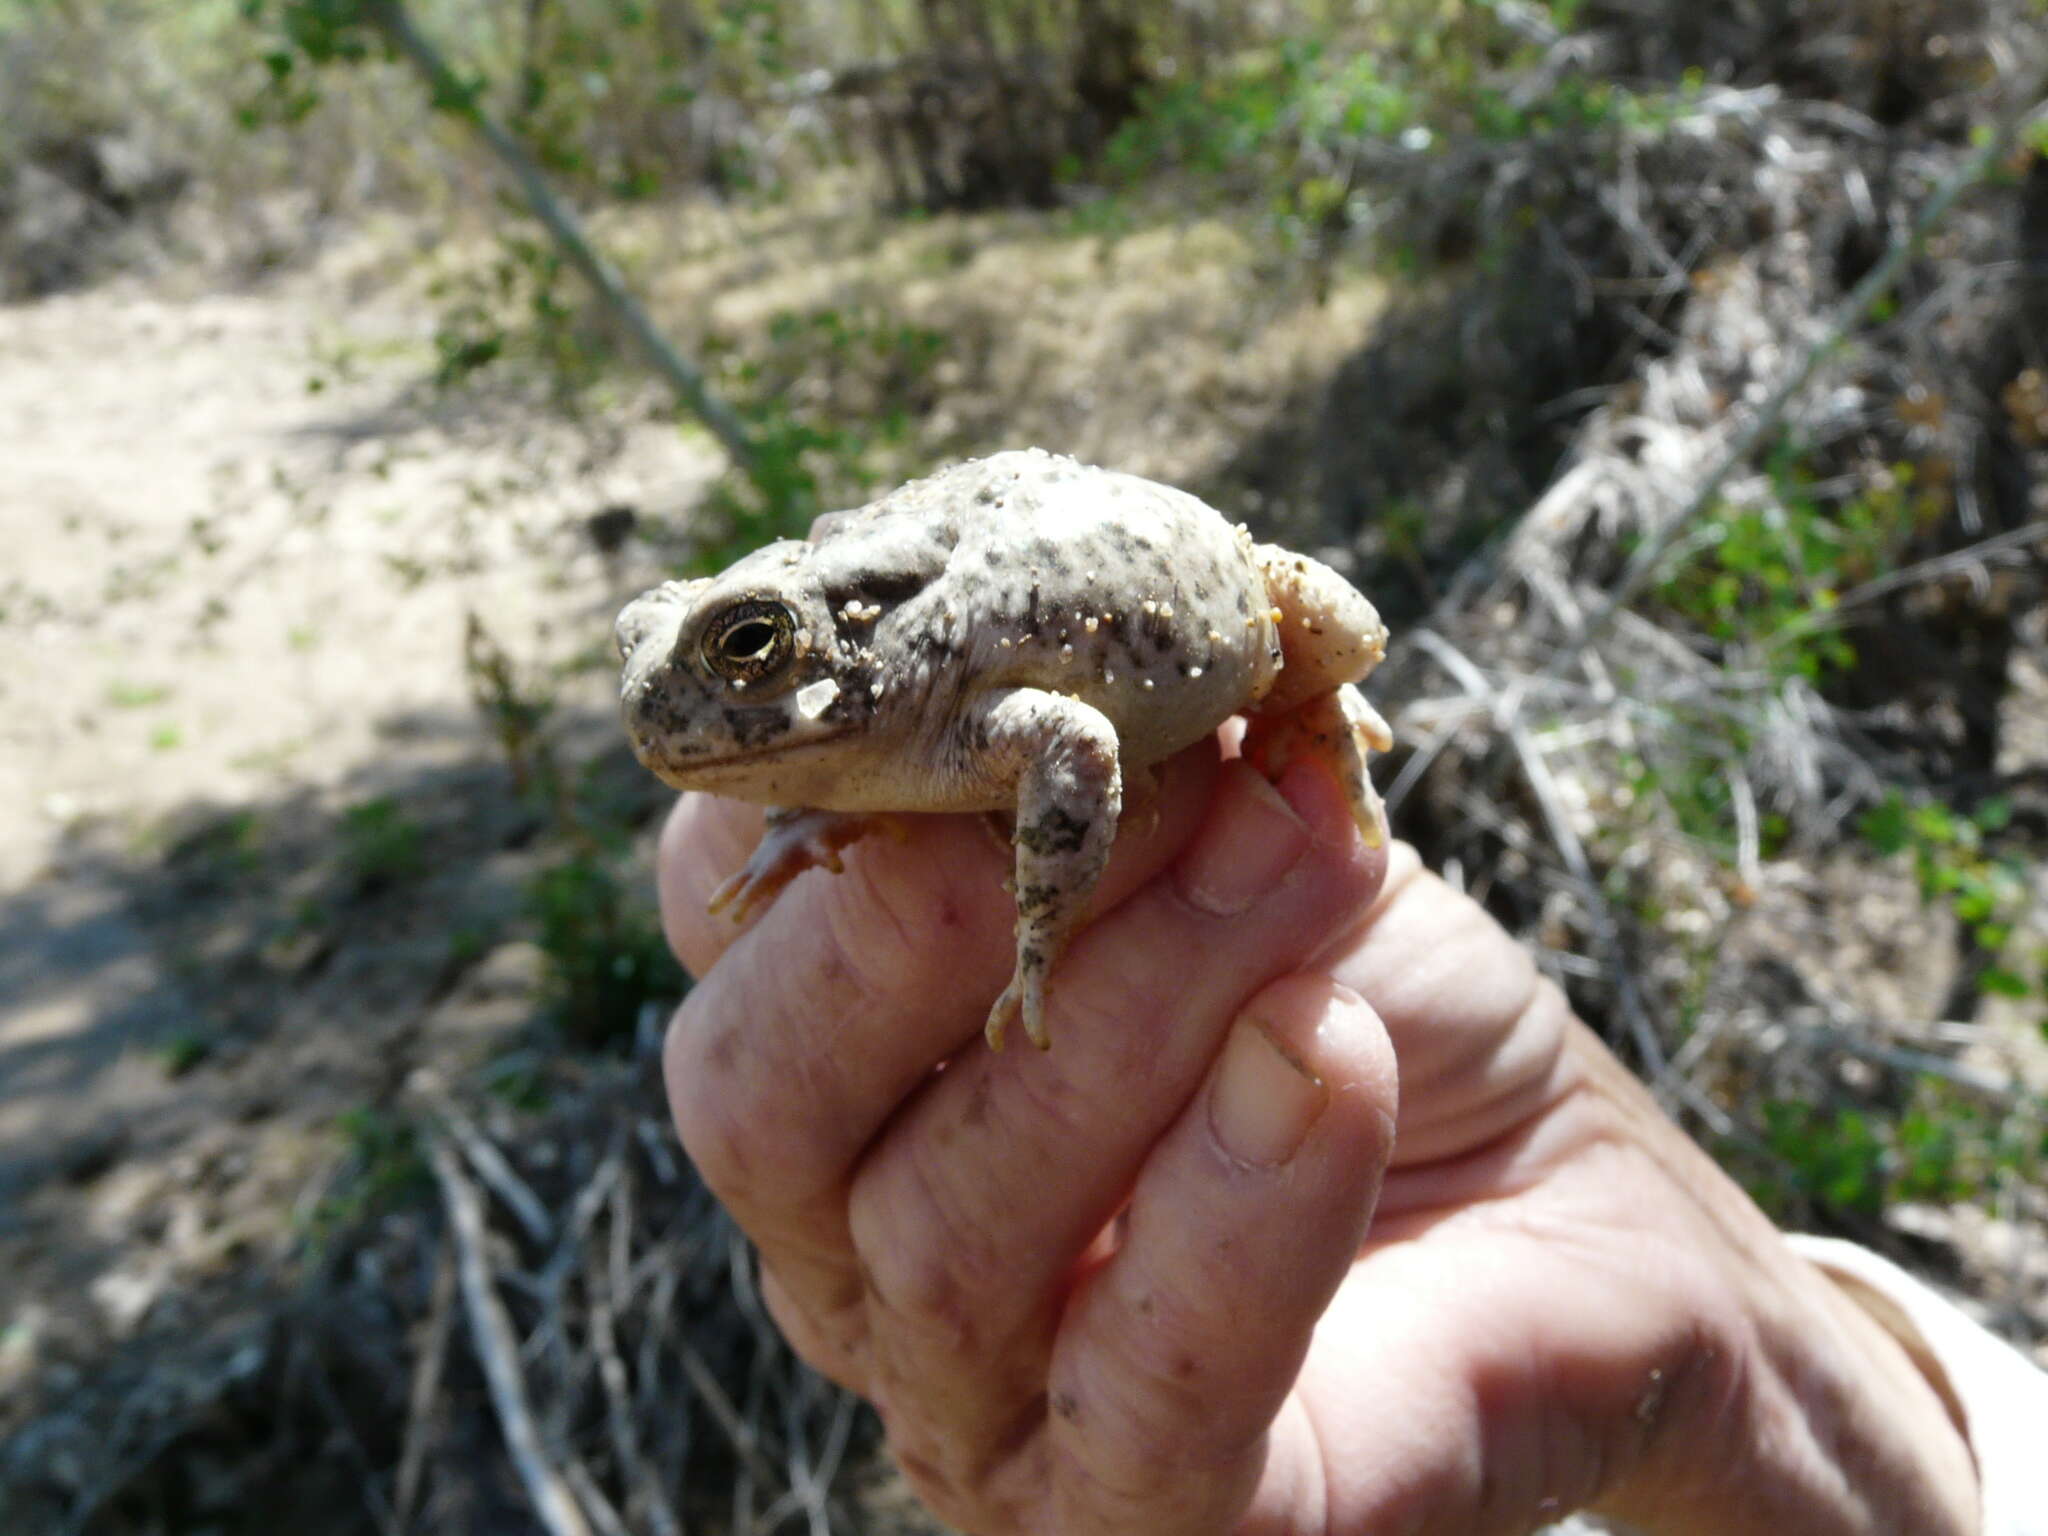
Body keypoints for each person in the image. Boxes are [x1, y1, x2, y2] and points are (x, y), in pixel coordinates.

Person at [656, 733, 2048, 1534]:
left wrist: (1039, 926)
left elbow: (1073, 743)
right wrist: (1710, 1358)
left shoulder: (954, 695)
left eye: (744, 648)